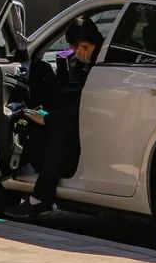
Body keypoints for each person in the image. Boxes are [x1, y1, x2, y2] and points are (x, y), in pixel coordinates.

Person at [5, 15, 103, 219]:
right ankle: (40, 197)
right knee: (60, 121)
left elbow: (77, 113)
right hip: (99, 121)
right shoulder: (102, 58)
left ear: (83, 46)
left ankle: (40, 198)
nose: (75, 55)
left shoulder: (99, 66)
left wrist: (39, 116)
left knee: (59, 128)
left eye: (75, 50)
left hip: (94, 124)